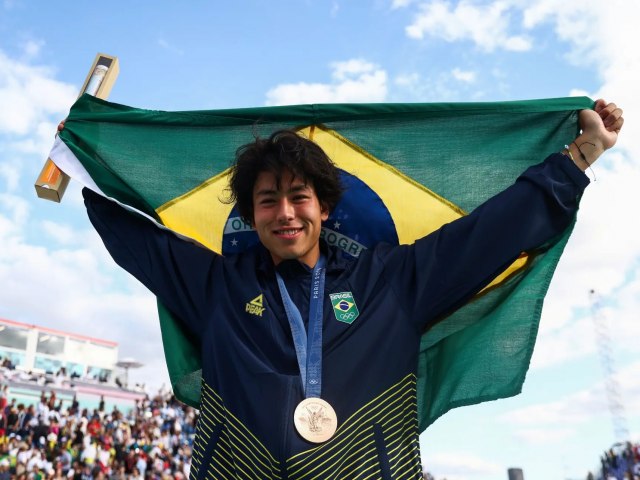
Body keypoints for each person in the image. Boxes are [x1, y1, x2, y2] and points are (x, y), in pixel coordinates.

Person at [69, 100, 623, 479]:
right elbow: (137, 239)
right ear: (251, 215)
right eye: (267, 200)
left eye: (298, 196)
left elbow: (486, 237)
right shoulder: (216, 287)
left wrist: (578, 159)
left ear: (325, 207)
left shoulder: (392, 281)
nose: (285, 213)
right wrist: (74, 158)